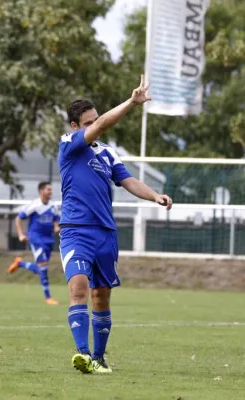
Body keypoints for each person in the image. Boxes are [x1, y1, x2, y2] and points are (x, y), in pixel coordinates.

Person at [59, 75, 173, 374]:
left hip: (105, 234)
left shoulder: (107, 153)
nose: (95, 126)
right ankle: (82, 355)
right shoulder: (69, 145)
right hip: (76, 230)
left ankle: (99, 358)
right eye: (88, 123)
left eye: (95, 120)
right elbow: (103, 126)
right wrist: (132, 102)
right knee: (78, 288)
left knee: (101, 295)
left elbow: (129, 181)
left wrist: (155, 196)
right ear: (74, 127)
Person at [8, 181, 61, 305]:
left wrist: (56, 227)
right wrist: (21, 234)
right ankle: (48, 297)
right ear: (41, 191)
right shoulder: (34, 205)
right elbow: (18, 218)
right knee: (43, 266)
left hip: (48, 239)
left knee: (41, 269)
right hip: (36, 238)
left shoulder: (54, 206)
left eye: (51, 190)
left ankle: (19, 263)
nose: (51, 192)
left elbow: (56, 220)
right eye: (48, 189)